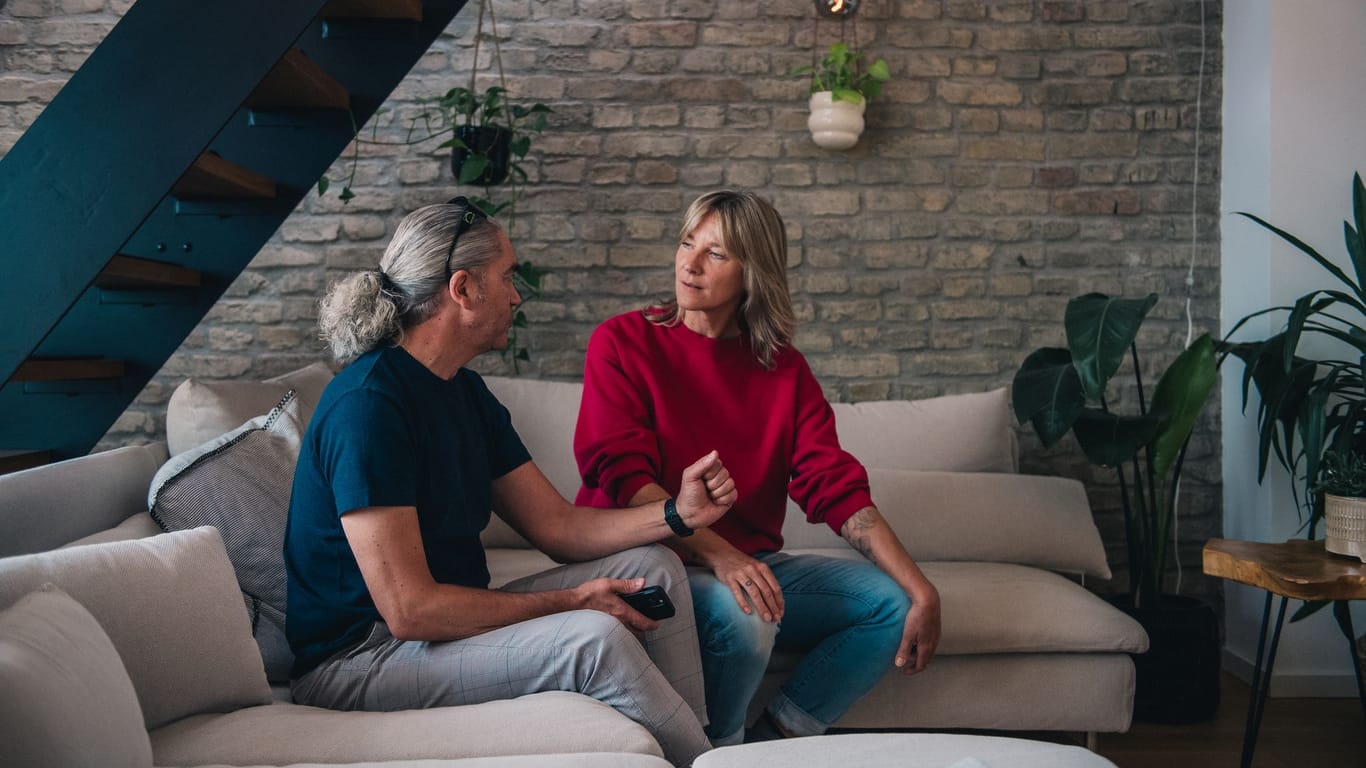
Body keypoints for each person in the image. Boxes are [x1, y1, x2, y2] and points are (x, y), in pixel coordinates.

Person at [283, 198, 738, 767]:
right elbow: (410, 611)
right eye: (506, 277)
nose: (517, 295)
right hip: (362, 658)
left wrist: (678, 515)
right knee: (591, 640)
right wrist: (573, 603)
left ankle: (698, 745)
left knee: (655, 567)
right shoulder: (369, 406)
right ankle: (711, 765)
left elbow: (558, 525)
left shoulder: (463, 392)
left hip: (443, 629)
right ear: (463, 289)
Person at [573, 190, 942, 747]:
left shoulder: (782, 369)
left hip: (747, 562)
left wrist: (923, 591)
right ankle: (713, 752)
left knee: (889, 605)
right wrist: (723, 555)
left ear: (753, 273)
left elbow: (834, 485)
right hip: (646, 561)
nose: (688, 264)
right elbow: (622, 478)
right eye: (685, 243)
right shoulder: (622, 342)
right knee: (748, 613)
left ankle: (773, 741)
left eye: (716, 254)